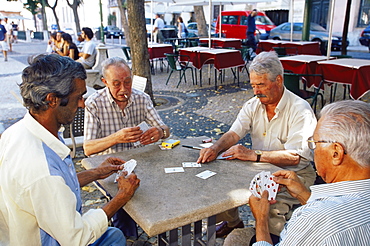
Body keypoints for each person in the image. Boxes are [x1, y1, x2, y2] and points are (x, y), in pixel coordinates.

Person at [0, 54, 140, 245]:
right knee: (114, 237)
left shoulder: (17, 132)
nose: (82, 104)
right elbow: (77, 237)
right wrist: (122, 196)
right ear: (52, 100)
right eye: (78, 97)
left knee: (114, 234)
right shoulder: (40, 170)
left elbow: (56, 187)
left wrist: (96, 173)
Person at [197, 51, 317, 242]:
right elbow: (234, 133)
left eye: (260, 85)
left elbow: (296, 157)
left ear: (278, 80)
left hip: (295, 174)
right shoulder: (254, 104)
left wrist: (255, 155)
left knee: (270, 211)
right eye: (253, 85)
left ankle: (270, 239)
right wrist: (215, 148)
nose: (256, 91)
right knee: (219, 187)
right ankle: (233, 223)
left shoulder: (300, 110)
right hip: (260, 170)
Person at [246, 100, 370, 246]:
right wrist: (304, 195)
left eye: (315, 143)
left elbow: (326, 219)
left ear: (336, 153)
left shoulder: (314, 220)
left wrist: (261, 220)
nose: (313, 150)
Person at [84, 56, 170, 156]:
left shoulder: (142, 98)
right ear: (105, 82)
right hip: (109, 164)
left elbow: (165, 130)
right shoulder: (94, 103)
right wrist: (116, 138)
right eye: (116, 84)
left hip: (140, 158)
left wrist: (160, 132)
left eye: (127, 82)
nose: (123, 89)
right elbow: (88, 149)